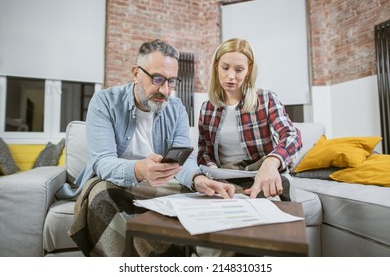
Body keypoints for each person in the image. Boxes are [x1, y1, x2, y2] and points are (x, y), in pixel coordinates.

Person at [58, 39, 235, 256]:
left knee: (207, 194)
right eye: (158, 79)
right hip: (117, 185)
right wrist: (139, 170)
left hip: (160, 185)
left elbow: (183, 160)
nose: (165, 90)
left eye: (172, 82)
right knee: (100, 194)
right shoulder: (104, 101)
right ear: (135, 73)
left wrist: (196, 178)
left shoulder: (177, 108)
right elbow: (102, 161)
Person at [197, 38, 302, 201]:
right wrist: (212, 171)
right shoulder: (207, 108)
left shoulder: (266, 99)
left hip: (260, 172)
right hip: (225, 177)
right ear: (217, 66)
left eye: (239, 70)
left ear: (249, 70)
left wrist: (272, 162)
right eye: (225, 68)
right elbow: (204, 152)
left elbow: (292, 135)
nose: (231, 76)